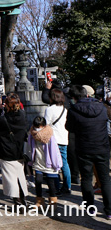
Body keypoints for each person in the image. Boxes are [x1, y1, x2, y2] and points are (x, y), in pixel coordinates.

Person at [65, 84, 111, 219]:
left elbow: (69, 128)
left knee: (86, 178)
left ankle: (90, 207)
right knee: (105, 179)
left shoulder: (73, 111)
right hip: (102, 146)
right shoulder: (102, 108)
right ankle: (109, 210)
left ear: (73, 97)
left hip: (84, 148)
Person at [0, 93, 29, 206]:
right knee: (20, 176)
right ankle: (24, 199)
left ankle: (17, 201)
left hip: (5, 150)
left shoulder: (2, 118)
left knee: (10, 177)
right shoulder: (22, 116)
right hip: (20, 150)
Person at [27, 116, 62, 209]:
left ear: (43, 126)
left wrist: (56, 165)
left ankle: (53, 202)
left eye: (39, 126)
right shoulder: (32, 134)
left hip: (49, 163)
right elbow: (29, 147)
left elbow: (54, 151)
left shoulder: (49, 135)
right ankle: (39, 201)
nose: (37, 129)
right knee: (38, 181)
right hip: (38, 161)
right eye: (35, 126)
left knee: (51, 183)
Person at [43, 88, 70, 195]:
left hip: (53, 140)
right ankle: (67, 187)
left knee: (54, 164)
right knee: (64, 163)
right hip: (64, 138)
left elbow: (45, 124)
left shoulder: (49, 110)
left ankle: (56, 187)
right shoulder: (65, 109)